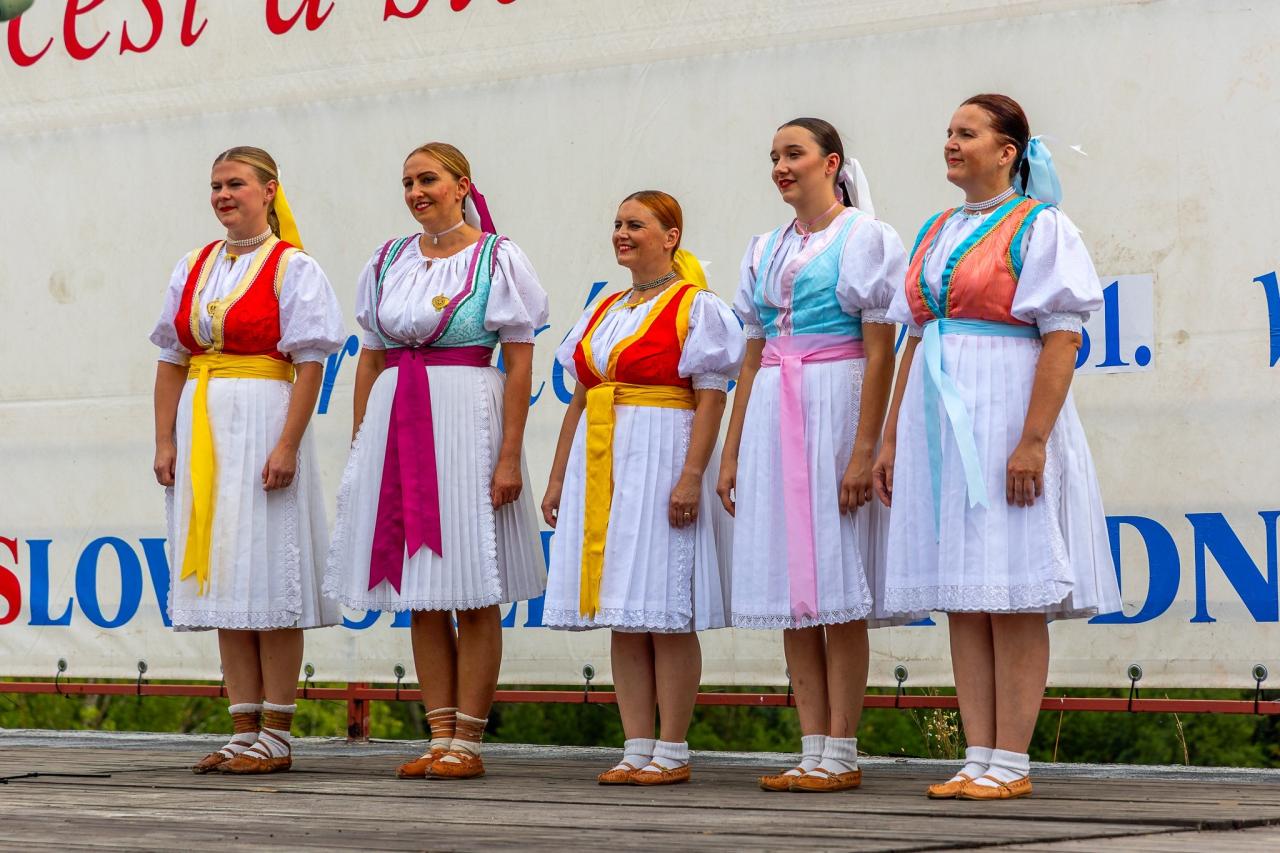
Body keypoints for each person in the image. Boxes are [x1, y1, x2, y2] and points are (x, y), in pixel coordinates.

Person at [874, 94, 1121, 800]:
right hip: (937, 423)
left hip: (1005, 408)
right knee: (965, 592)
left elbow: (1063, 337)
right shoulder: (936, 228)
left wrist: (1032, 441)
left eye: (968, 133)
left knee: (1010, 590)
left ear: (1008, 151)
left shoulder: (1040, 226)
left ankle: (1011, 758)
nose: (951, 143)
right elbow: (915, 339)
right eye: (948, 132)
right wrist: (891, 438)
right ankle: (977, 753)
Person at [324, 142, 548, 781]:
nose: (416, 192)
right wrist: (362, 439)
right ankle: (439, 733)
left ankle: (469, 740)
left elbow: (520, 361)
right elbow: (370, 356)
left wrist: (509, 457)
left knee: (471, 586)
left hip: (465, 417)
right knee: (421, 590)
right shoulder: (388, 259)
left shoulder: (497, 257)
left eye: (428, 179)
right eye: (407, 182)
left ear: (461, 185)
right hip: (398, 418)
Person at [718, 118, 906, 793]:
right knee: (791, 589)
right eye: (774, 156)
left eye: (793, 153)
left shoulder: (865, 238)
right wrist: (732, 450)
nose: (781, 166)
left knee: (836, 586)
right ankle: (812, 745)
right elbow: (751, 354)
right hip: (776, 406)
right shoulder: (764, 247)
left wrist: (864, 449)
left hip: (834, 402)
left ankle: (843, 750)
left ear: (831, 163)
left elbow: (880, 351)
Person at [150, 146, 344, 775]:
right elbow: (171, 359)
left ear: (269, 190)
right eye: (216, 186)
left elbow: (310, 363)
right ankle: (242, 729)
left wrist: (287, 443)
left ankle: (277, 733)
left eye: (235, 184)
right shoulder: (194, 265)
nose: (223, 195)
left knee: (267, 569)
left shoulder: (293, 268)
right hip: (203, 428)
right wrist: (165, 440)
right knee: (223, 572)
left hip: (263, 421)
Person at [541, 190, 744, 786]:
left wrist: (691, 476)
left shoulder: (695, 306)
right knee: (624, 610)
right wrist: (558, 476)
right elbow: (581, 397)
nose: (622, 233)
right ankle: (635, 746)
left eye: (635, 224)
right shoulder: (605, 308)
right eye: (617, 224)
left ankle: (672, 749)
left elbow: (711, 398)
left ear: (670, 236)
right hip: (603, 461)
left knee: (664, 609)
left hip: (661, 455)